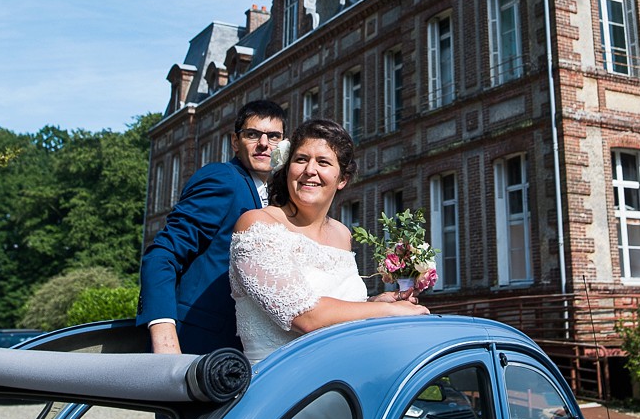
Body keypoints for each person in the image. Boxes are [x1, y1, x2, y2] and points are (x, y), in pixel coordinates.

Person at [229, 118, 429, 362]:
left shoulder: (342, 234)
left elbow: (338, 310)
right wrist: (389, 310)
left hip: (342, 377)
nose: (310, 170)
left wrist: (373, 301)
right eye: (301, 159)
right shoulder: (257, 224)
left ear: (342, 179)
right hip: (279, 381)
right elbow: (304, 316)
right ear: (287, 167)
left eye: (323, 162)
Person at [137, 98, 287, 356]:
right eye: (253, 134)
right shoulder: (222, 178)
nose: (264, 144)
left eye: (273, 136)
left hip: (245, 349)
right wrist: (164, 336)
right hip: (196, 345)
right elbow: (162, 254)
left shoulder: (273, 199)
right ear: (234, 141)